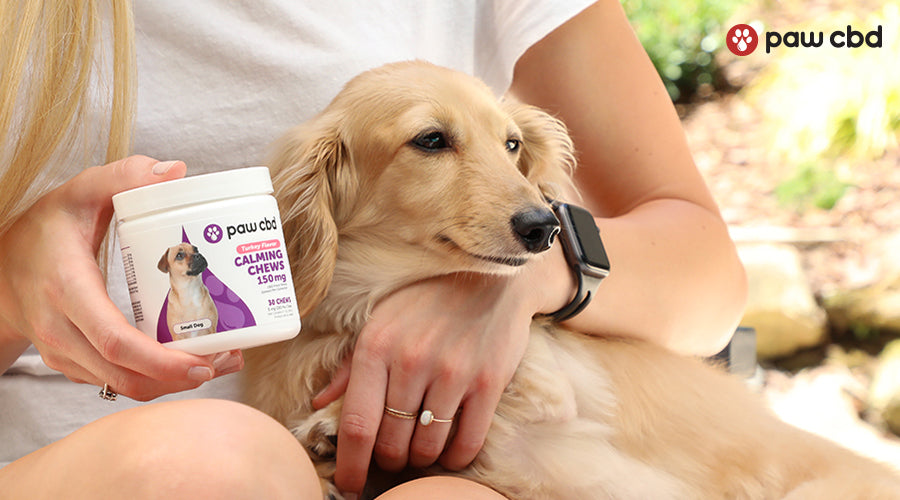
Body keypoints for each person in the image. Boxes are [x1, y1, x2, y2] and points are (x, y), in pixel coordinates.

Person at [0, 0, 747, 498]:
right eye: (431, 141)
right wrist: (8, 292)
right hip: (107, 466)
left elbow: (709, 276)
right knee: (214, 466)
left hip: (449, 463)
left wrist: (522, 280)